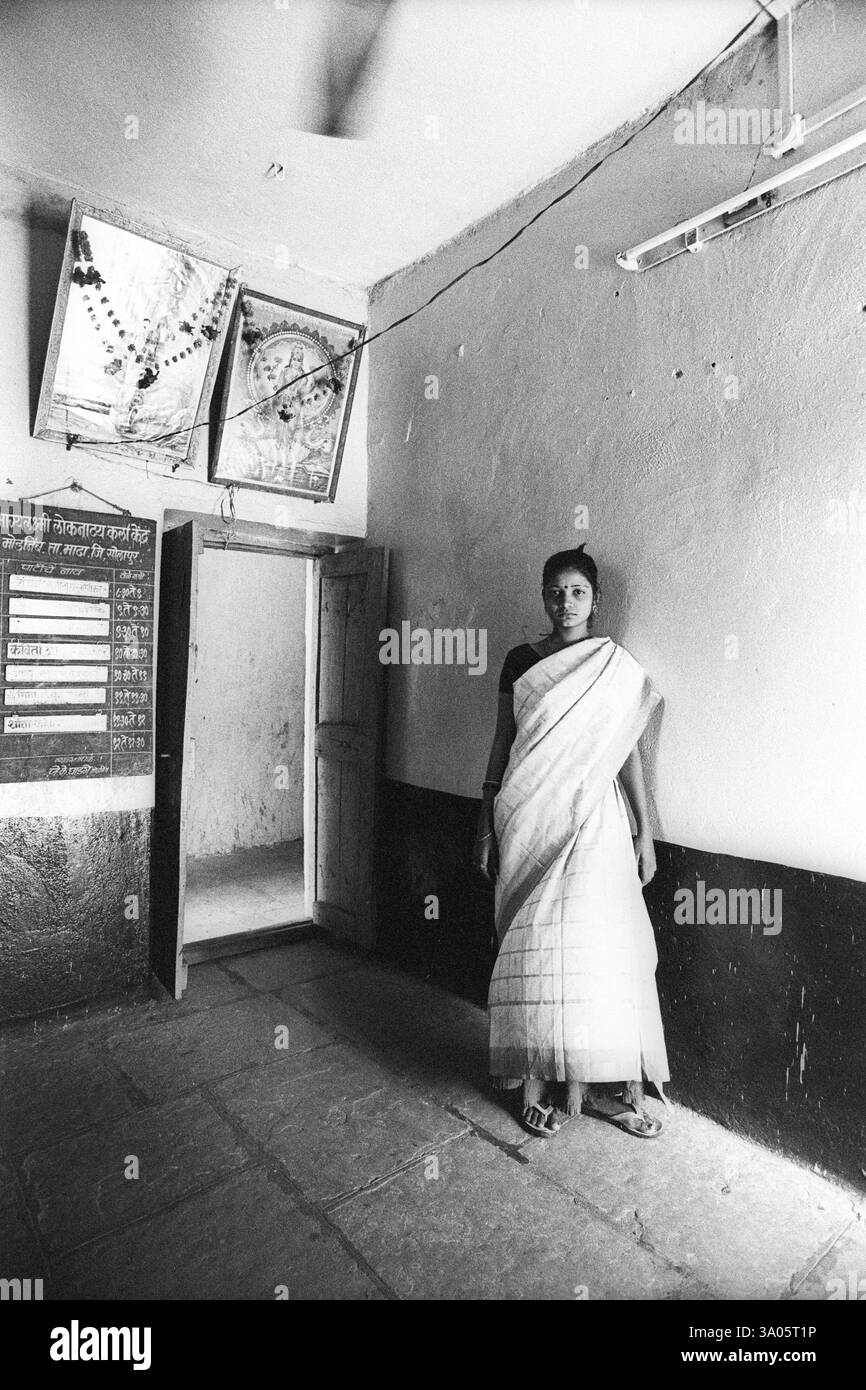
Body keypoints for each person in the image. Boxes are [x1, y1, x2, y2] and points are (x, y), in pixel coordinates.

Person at [474, 545, 670, 1139]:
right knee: (533, 950)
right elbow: (502, 743)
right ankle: (533, 1080)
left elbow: (627, 753)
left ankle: (608, 1084)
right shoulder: (519, 661)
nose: (566, 603)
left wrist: (645, 829)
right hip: (530, 816)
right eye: (555, 592)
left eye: (577, 592)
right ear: (543, 597)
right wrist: (483, 824)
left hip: (597, 825)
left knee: (598, 949)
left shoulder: (612, 666)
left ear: (596, 600)